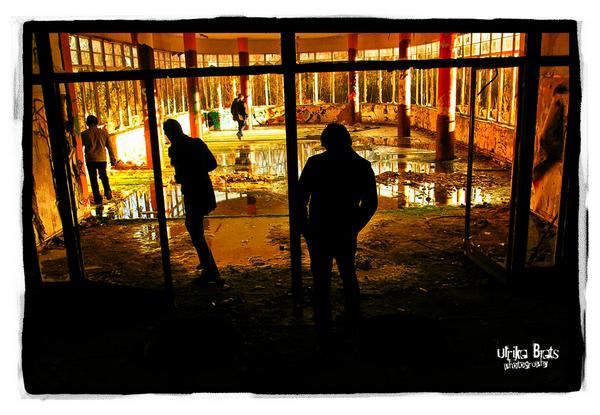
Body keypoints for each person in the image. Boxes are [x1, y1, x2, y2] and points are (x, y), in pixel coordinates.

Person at [298, 123, 378, 347]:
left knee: (321, 277)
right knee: (348, 273)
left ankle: (323, 327)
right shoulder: (361, 166)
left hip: (319, 227)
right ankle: (352, 322)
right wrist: (354, 226)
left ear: (325, 143)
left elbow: (300, 198)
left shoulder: (316, 164)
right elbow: (370, 204)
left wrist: (305, 227)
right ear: (348, 141)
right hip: (344, 228)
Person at [163, 119, 220, 282]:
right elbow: (212, 164)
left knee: (194, 229)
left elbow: (181, 174)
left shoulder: (176, 149)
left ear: (169, 133)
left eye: (166, 133)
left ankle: (210, 269)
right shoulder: (197, 143)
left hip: (193, 192)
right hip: (203, 188)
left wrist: (186, 174)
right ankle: (206, 262)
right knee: (194, 227)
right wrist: (198, 170)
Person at [81, 115, 117, 204]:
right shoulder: (103, 133)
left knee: (93, 179)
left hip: (90, 159)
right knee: (103, 176)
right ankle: (107, 190)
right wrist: (112, 158)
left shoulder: (84, 134)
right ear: (97, 122)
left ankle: (97, 198)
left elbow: (79, 145)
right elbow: (110, 147)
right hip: (102, 158)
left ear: (87, 123)